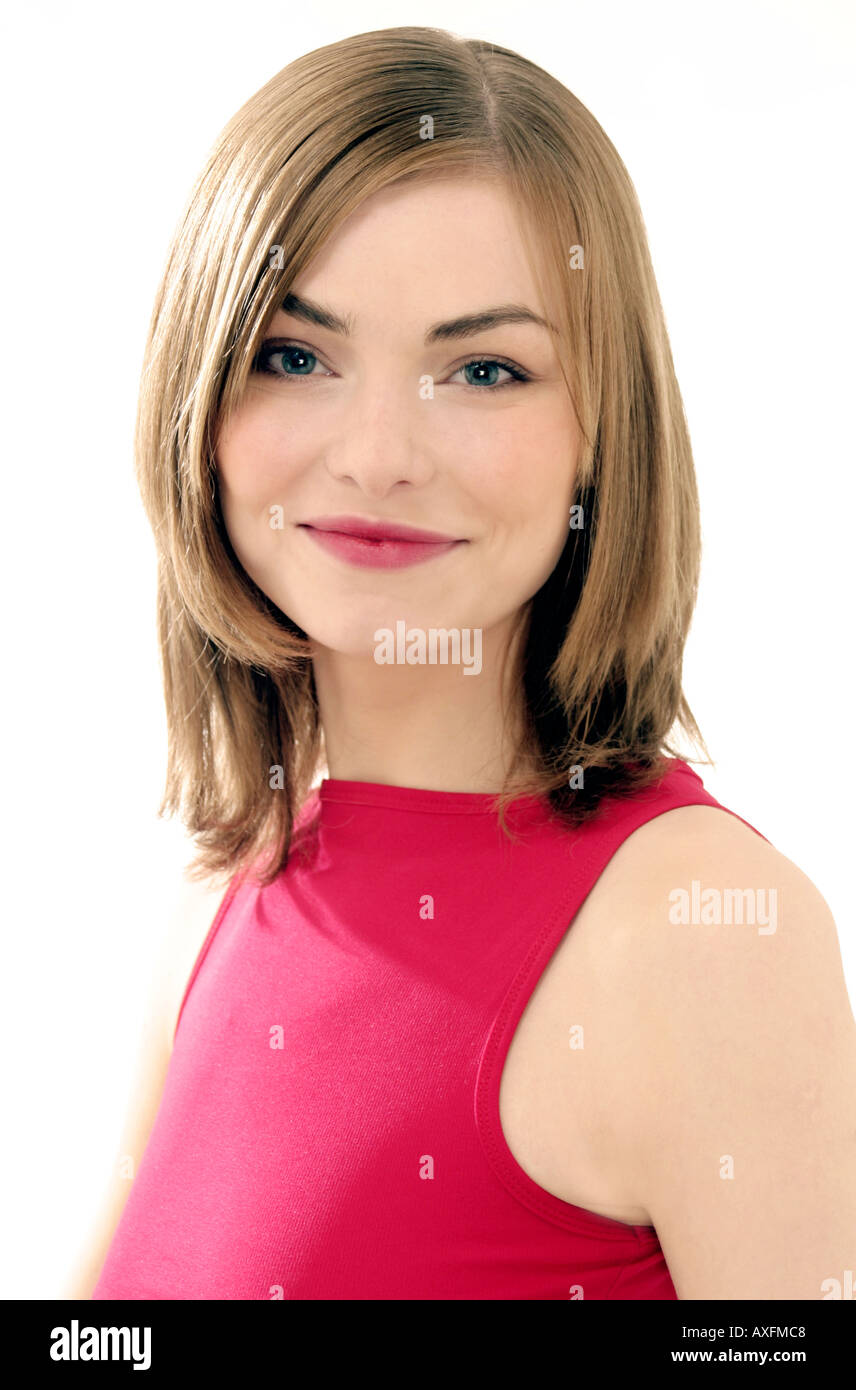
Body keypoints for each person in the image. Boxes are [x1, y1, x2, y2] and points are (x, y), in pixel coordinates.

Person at [68, 25, 855, 1300]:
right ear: (201, 402)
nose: (379, 453)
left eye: (483, 368)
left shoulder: (701, 933)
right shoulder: (217, 895)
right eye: (294, 355)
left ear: (600, 436)